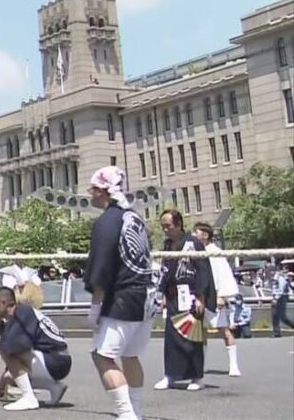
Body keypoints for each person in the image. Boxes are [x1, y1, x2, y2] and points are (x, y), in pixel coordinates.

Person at [84, 166, 154, 420]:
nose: (90, 193)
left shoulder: (107, 221)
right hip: (146, 295)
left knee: (102, 356)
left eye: (93, 189)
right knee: (130, 355)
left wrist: (95, 306)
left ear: (102, 191)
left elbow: (101, 266)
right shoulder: (134, 217)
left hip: (123, 297)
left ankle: (126, 413)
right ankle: (135, 408)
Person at [154, 209, 212, 392]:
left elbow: (203, 270)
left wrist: (201, 297)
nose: (165, 230)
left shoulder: (193, 243)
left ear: (178, 224)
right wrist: (162, 294)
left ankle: (197, 377)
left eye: (168, 226)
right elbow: (165, 270)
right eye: (163, 227)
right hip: (173, 296)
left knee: (192, 337)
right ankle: (171, 374)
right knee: (171, 337)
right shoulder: (167, 244)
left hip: (192, 294)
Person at [0, 287, 70, 411]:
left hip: (55, 361)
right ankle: (55, 387)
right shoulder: (23, 312)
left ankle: (29, 398)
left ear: (3, 302)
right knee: (10, 376)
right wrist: (2, 383)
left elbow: (13, 350)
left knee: (6, 351)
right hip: (58, 359)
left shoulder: (22, 314)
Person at [192, 222, 241, 376]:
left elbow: (223, 275)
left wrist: (221, 296)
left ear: (205, 235)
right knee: (201, 333)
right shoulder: (196, 252)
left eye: (197, 232)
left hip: (215, 296)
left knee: (224, 331)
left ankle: (233, 364)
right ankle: (200, 365)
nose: (194, 235)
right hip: (200, 296)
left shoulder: (215, 252)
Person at [270, 268, 294, 337]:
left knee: (277, 316)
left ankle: (277, 332)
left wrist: (275, 298)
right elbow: (274, 288)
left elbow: (281, 290)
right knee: (279, 316)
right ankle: (277, 332)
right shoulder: (275, 278)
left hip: (281, 298)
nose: (270, 272)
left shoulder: (281, 278)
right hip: (276, 297)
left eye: (271, 270)